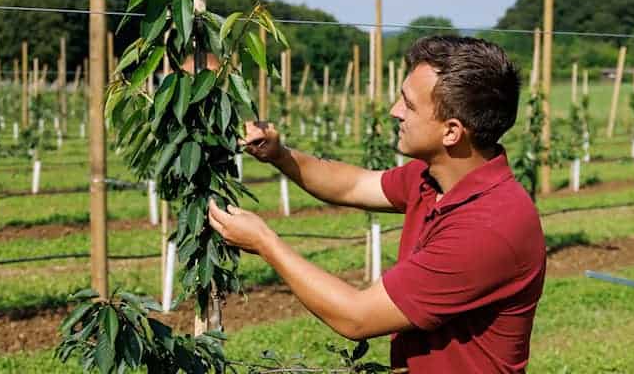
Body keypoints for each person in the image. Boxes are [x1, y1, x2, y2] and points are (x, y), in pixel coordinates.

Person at [208, 36, 546, 373]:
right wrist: (280, 155)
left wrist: (265, 243)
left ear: (452, 132)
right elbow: (352, 185)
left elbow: (357, 317)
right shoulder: (433, 179)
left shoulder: (487, 229)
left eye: (409, 105)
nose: (394, 112)